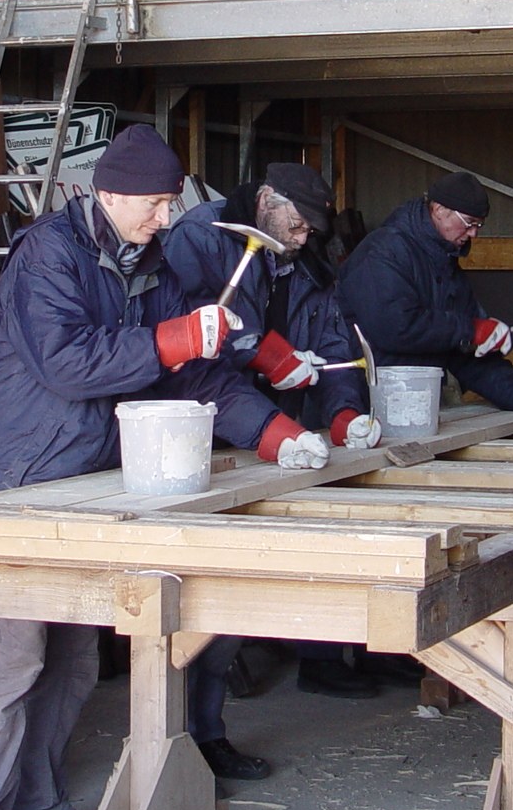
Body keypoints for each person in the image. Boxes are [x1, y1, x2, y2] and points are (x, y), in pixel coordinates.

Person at [0, 125, 332, 810]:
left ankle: (42, 809)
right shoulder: (47, 255)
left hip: (83, 485)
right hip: (14, 481)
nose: (166, 219)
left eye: (169, 204)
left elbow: (188, 374)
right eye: (155, 205)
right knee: (13, 659)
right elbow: (67, 362)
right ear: (110, 194)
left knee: (75, 660)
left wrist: (275, 433)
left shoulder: (148, 264)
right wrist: (171, 338)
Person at [163, 162, 387, 749]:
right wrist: (265, 356)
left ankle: (210, 733)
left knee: (243, 586)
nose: (304, 234)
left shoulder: (307, 258)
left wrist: (344, 414)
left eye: (314, 226)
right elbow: (194, 336)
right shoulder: (201, 237)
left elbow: (337, 348)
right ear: (265, 200)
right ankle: (193, 740)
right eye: (297, 221)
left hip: (275, 438)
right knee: (200, 597)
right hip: (206, 435)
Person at [335, 171, 513, 418]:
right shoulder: (383, 252)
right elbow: (395, 327)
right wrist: (470, 329)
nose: (474, 234)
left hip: (412, 408)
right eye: (469, 222)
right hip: (360, 406)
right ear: (439, 210)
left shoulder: (446, 265)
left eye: (479, 225)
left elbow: (464, 352)